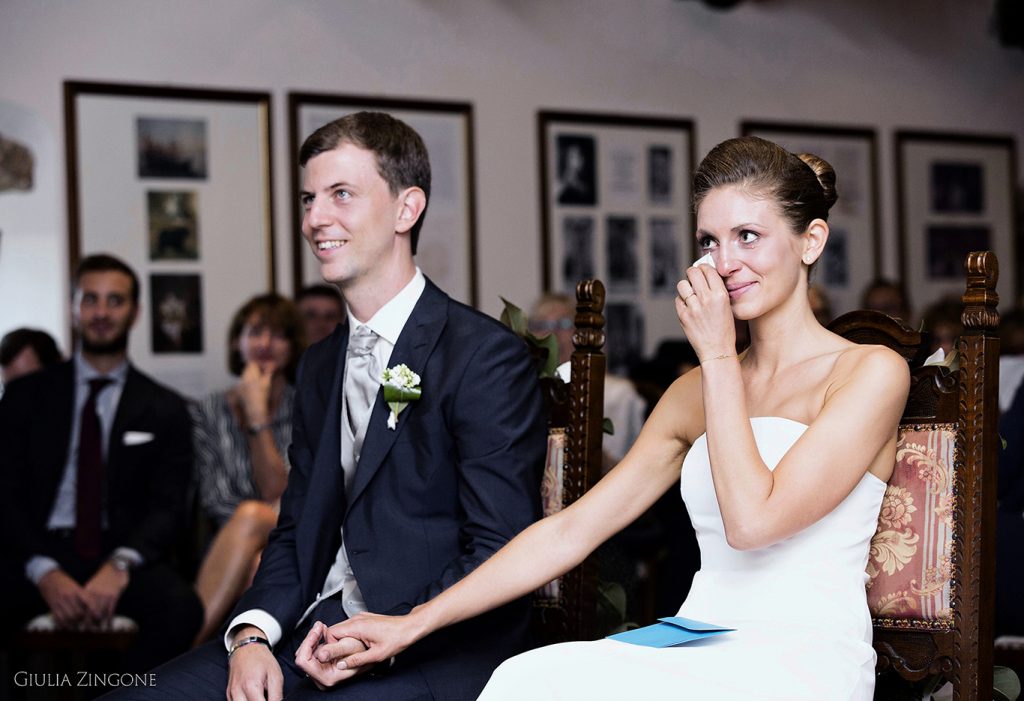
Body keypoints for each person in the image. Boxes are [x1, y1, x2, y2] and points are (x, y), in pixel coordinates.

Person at [322, 136, 911, 700]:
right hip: (699, 637)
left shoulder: (869, 373)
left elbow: (753, 523)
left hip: (801, 656)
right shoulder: (691, 393)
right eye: (709, 241)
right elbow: (570, 530)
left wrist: (715, 356)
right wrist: (412, 623)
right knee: (529, 679)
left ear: (811, 242)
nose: (724, 263)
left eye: (749, 237)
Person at [110, 112, 546, 701]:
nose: (316, 218)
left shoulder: (482, 356)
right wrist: (252, 636)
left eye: (341, 194)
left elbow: (500, 546)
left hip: (435, 647)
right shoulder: (319, 365)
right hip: (311, 628)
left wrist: (389, 633)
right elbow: (295, 530)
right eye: (309, 198)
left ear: (406, 209)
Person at [0, 254, 202, 673]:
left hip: (122, 552)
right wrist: (44, 570)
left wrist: (121, 563)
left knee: (181, 610)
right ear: (74, 309)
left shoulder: (166, 408)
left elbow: (170, 507)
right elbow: (5, 493)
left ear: (135, 312)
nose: (102, 312)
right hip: (38, 551)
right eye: (90, 300)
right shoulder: (25, 397)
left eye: (115, 301)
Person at [190, 293, 306, 644]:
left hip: (295, 535)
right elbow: (216, 498)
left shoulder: (306, 406)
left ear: (293, 345)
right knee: (257, 551)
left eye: (279, 334)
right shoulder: (209, 410)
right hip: (227, 541)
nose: (266, 343)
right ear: (236, 342)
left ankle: (185, 650)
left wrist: (258, 419)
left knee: (257, 522)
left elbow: (287, 497)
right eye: (255, 331)